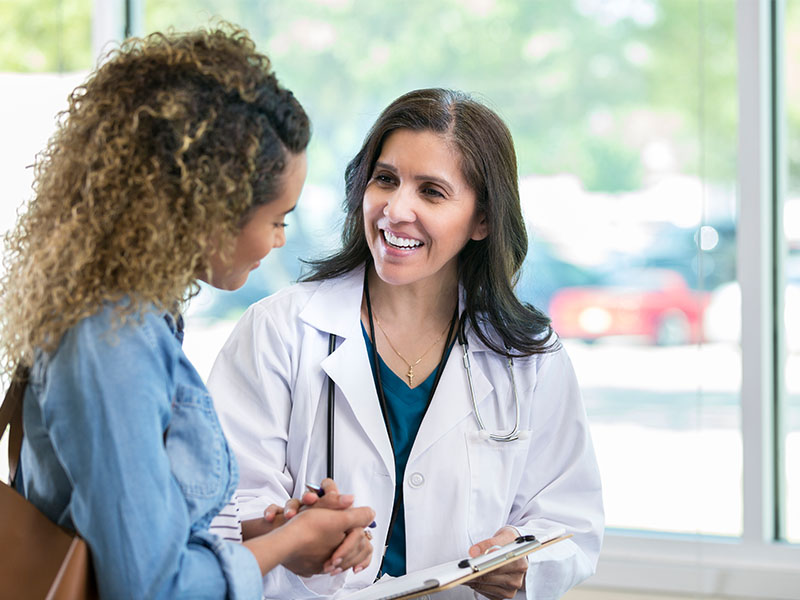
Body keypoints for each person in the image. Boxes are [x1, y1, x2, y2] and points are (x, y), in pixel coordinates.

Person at [0, 25, 376, 599]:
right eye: (277, 219)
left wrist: (281, 537)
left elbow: (135, 537)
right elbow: (153, 589)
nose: (279, 241)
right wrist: (278, 547)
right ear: (207, 210)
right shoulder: (110, 345)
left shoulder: (138, 319)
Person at [208, 88, 604, 599]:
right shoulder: (279, 331)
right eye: (386, 180)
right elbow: (225, 506)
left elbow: (570, 516)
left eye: (432, 192)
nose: (396, 210)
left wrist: (525, 556)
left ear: (482, 219)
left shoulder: (527, 356)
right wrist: (290, 528)